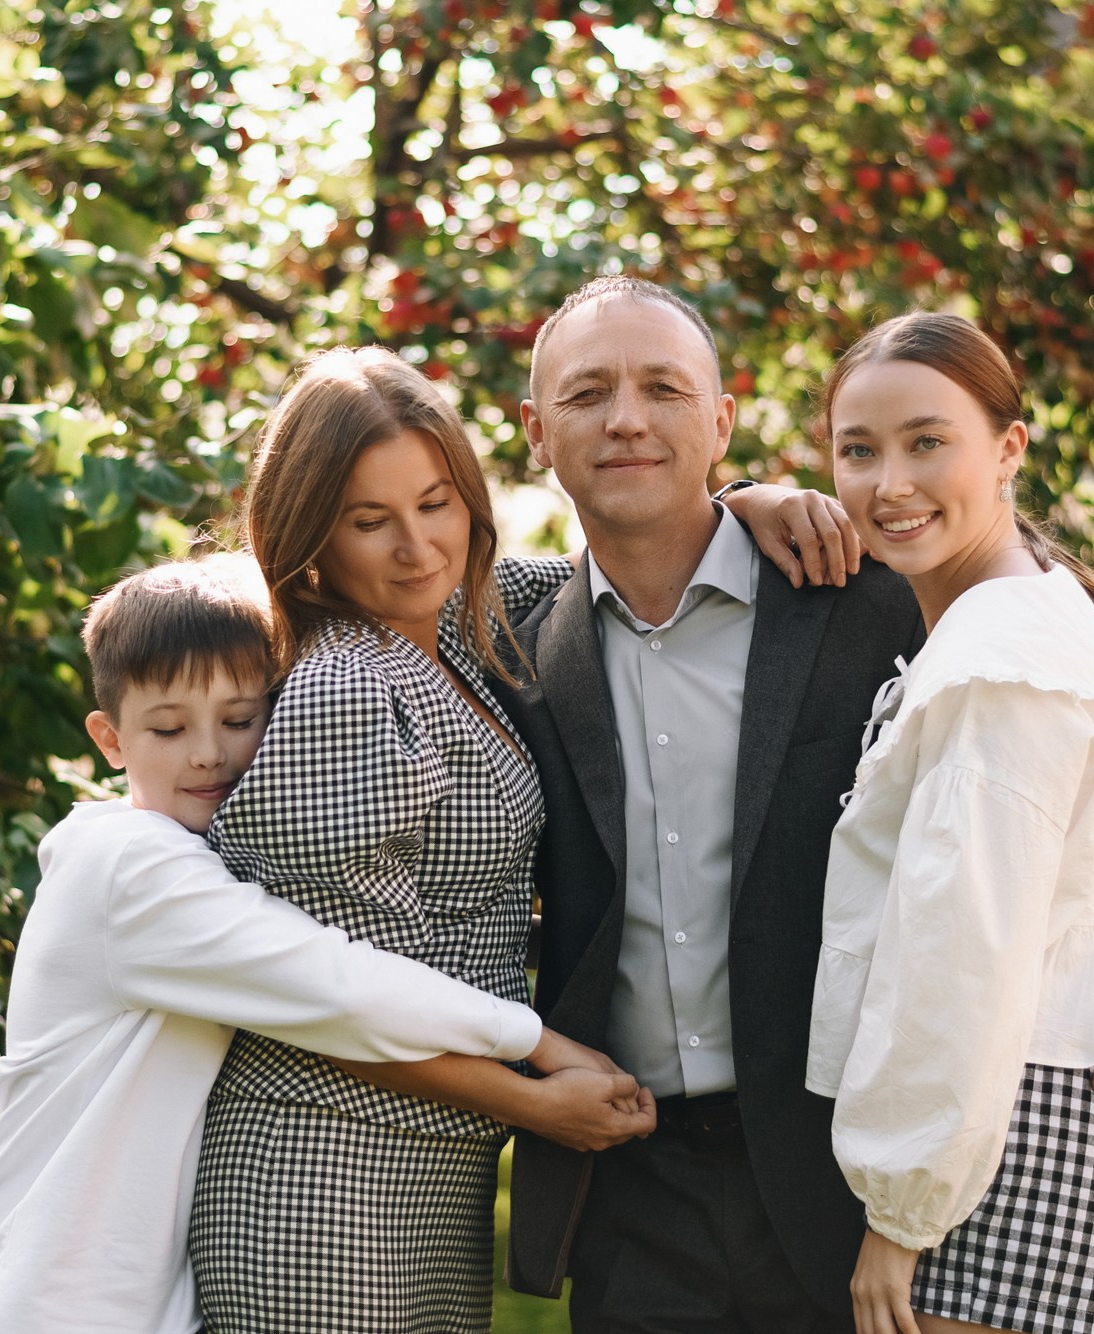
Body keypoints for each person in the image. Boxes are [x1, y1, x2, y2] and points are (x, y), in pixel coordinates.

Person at [498, 277, 1094, 1331]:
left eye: (662, 388)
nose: (626, 417)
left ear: (719, 420)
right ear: (536, 431)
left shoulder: (874, 591)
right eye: (587, 392)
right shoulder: (512, 636)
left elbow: (1034, 795)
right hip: (633, 1186)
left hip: (829, 1167)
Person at [184, 347, 831, 1333]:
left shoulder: (464, 620)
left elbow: (634, 548)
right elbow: (328, 994)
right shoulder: (341, 689)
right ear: (309, 531)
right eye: (368, 521)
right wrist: (533, 1099)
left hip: (432, 1156)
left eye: (436, 503)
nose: (415, 546)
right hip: (323, 1155)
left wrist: (743, 498)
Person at [0, 558, 608, 1334]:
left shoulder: (190, 855)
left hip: (134, 1304)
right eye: (168, 727)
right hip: (45, 1307)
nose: (209, 754)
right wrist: (539, 1044)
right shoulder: (130, 870)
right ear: (109, 738)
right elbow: (339, 984)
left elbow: (496, 582)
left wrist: (729, 509)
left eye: (238, 719)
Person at [806, 312, 1094, 1334]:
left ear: (1008, 447)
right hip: (995, 1121)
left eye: (927, 442)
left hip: (1007, 1137)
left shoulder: (1000, 655)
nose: (889, 484)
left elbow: (961, 946)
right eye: (858, 449)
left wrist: (901, 1207)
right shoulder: (1000, 620)